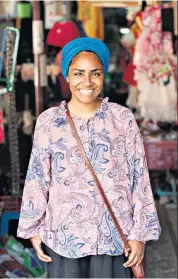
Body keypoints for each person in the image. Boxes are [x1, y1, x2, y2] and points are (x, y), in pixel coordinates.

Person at [17, 37, 161, 278]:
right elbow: (37, 177)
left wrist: (139, 235)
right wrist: (34, 227)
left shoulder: (121, 119)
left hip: (114, 236)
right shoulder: (49, 121)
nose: (86, 82)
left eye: (95, 73)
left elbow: (140, 178)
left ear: (103, 75)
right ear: (67, 75)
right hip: (64, 236)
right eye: (78, 73)